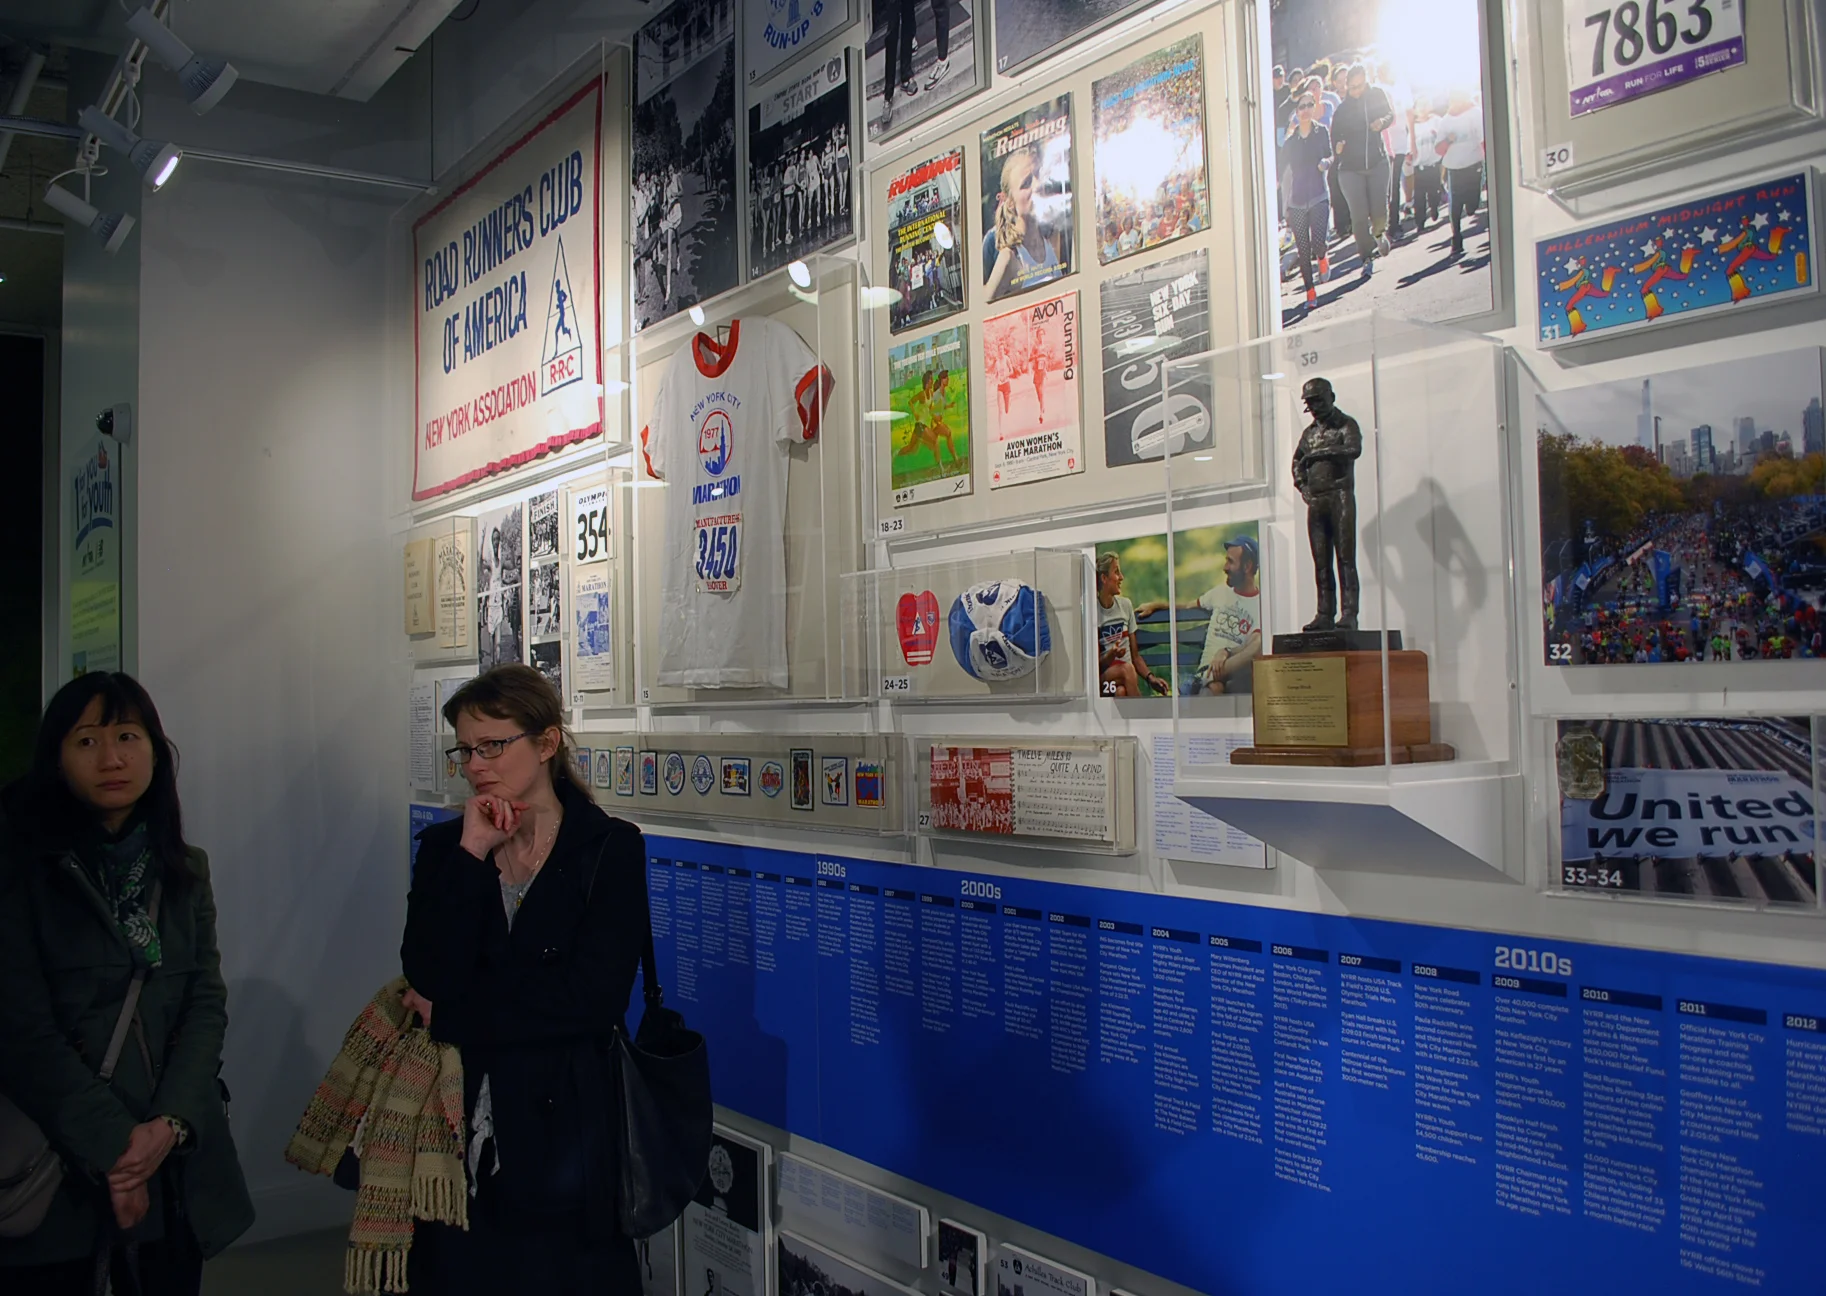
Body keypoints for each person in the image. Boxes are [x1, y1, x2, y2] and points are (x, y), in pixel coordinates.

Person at [0, 673, 253, 1294]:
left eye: (127, 737)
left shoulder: (184, 869)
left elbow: (205, 1004)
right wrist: (120, 1151)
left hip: (173, 1164)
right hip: (59, 1166)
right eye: (87, 741)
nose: (111, 759)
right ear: (56, 759)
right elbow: (22, 1032)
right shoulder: (20, 872)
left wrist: (168, 1125)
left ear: (155, 752)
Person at [402, 665, 650, 1294]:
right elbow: (428, 970)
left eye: (492, 745)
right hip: (457, 1123)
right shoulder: (448, 848)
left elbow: (592, 1000)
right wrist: (473, 852)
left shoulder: (607, 847)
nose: (476, 765)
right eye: (465, 750)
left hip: (568, 1129)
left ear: (545, 743)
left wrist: (456, 1015)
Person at [1137, 537, 1263, 696]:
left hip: (1237, 673)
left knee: (1259, 643)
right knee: (1215, 688)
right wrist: (1156, 605)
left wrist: (1227, 652)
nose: (1225, 567)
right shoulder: (1220, 593)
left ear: (1247, 566)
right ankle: (1206, 677)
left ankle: (1203, 679)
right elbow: (1187, 606)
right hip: (1210, 670)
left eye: (1230, 562)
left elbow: (1255, 645)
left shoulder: (1260, 604)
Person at [1330, 63, 1395, 277]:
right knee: (1358, 216)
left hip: (1377, 162)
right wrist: (1338, 146)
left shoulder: (1376, 95)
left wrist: (1382, 122)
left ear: (1366, 82)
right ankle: (1366, 257)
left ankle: (1379, 233)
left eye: (1360, 86)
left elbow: (1389, 115)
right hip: (1350, 169)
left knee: (1379, 210)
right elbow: (1335, 136)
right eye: (1352, 87)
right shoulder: (1342, 110)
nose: (1356, 91)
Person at [982, 147, 1062, 301]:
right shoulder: (1009, 259)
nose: (1037, 185)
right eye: (1026, 183)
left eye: (1038, 175)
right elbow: (985, 308)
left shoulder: (1052, 237)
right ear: (1010, 202)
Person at [1283, 93, 1333, 309]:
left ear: (1314, 107)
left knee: (1318, 243)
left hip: (1319, 194)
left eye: (1309, 105)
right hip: (1297, 200)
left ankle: (1322, 256)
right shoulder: (1291, 142)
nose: (1305, 110)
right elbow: (1280, 170)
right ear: (1296, 112)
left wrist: (1326, 163)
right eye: (1301, 107)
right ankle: (1310, 293)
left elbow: (1331, 155)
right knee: (1303, 250)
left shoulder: (1322, 132)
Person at [1095, 554, 1167, 698]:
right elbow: (1096, 666)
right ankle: (1142, 711)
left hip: (1126, 679)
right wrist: (1111, 655)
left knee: (1121, 692)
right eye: (1116, 572)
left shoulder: (1125, 605)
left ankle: (1136, 709)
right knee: (1126, 669)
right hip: (1103, 680)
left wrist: (1151, 678)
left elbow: (1135, 656)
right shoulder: (1093, 612)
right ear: (1104, 578)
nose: (1121, 577)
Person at [1434, 88, 1485, 259]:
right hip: (1454, 168)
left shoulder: (1475, 113)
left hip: (1473, 163)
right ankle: (1456, 238)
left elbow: (1483, 139)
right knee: (1454, 205)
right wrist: (1448, 140)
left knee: (1472, 205)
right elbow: (1438, 149)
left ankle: (1471, 207)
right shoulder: (1445, 121)